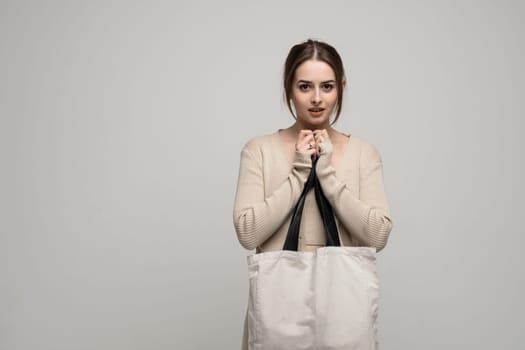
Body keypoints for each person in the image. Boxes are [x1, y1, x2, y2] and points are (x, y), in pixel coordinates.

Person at [232, 39, 393, 349]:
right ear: (289, 89)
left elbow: (378, 236)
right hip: (278, 316)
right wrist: (299, 171)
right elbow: (248, 234)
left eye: (327, 87)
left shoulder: (363, 153)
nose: (317, 98)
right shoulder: (259, 150)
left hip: (344, 317)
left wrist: (327, 175)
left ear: (342, 87)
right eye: (305, 87)